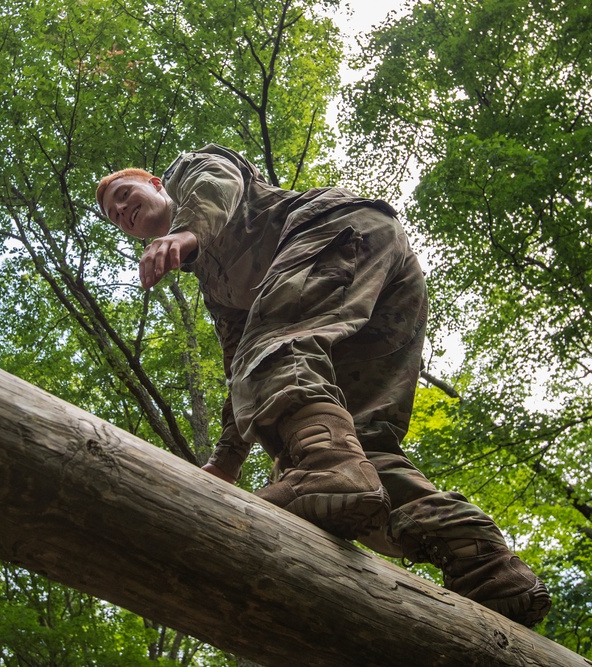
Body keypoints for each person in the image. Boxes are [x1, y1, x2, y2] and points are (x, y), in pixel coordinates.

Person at [96, 144, 551, 627]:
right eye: (115, 215)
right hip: (376, 276)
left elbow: (216, 186)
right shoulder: (216, 284)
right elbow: (239, 363)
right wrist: (225, 463)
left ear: (155, 183)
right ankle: (487, 567)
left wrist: (188, 232)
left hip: (338, 232)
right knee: (359, 439)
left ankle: (330, 468)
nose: (123, 211)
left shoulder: (192, 173)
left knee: (290, 383)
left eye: (125, 195)